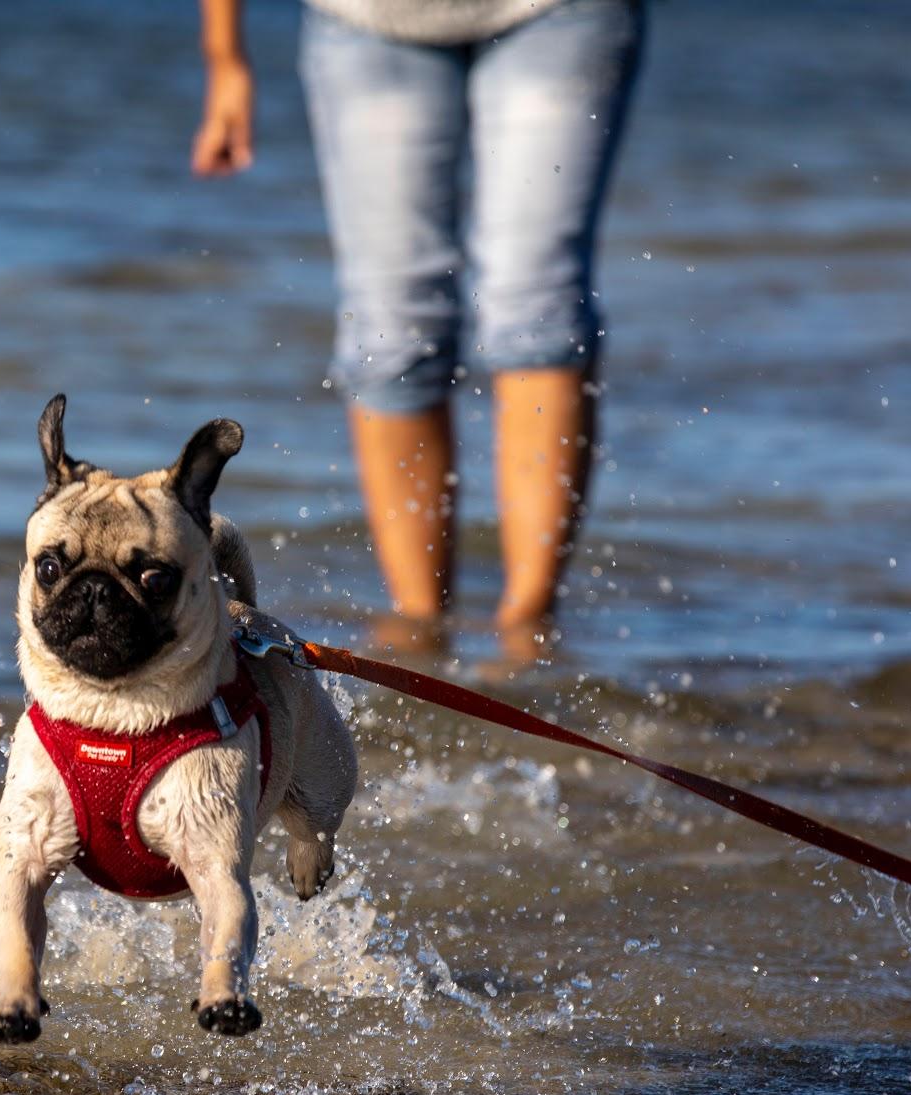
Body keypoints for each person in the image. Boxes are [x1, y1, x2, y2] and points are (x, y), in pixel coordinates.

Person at [193, 0, 644, 661]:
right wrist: (225, 56)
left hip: (560, 13)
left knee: (536, 305)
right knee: (391, 329)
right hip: (366, 20)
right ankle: (420, 633)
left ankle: (528, 636)